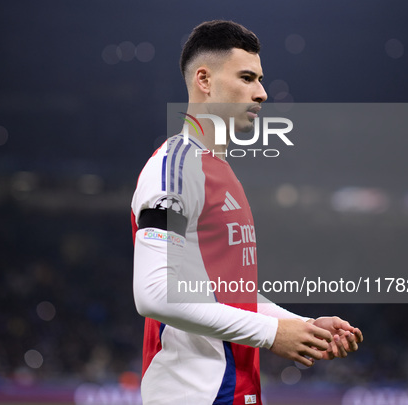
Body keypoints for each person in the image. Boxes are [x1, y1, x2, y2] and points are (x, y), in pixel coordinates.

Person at [131, 20, 363, 405]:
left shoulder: (220, 171)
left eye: (260, 80)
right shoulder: (172, 168)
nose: (262, 93)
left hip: (236, 393)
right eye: (247, 78)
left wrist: (300, 326)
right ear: (204, 80)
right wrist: (272, 334)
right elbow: (153, 294)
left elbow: (228, 293)